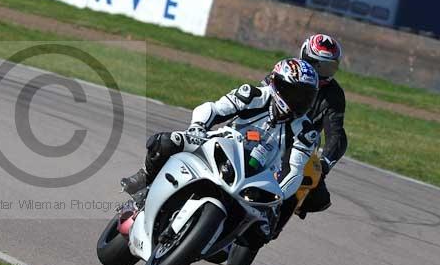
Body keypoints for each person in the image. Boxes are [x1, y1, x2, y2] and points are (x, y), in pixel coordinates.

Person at [120, 58, 320, 247]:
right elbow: (213, 109)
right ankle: (145, 179)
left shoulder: (305, 131)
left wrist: (278, 196)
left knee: (262, 234)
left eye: (306, 97)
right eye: (295, 93)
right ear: (278, 85)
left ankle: (221, 239)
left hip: (257, 177)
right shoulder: (253, 95)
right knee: (165, 142)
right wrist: (198, 126)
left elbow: (295, 170)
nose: (299, 101)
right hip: (220, 147)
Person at [271, 34, 347, 237]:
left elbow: (337, 133)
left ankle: (278, 217)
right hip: (269, 130)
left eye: (330, 68)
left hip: (301, 143)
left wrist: (324, 165)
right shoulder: (287, 70)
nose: (325, 73)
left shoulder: (334, 94)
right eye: (320, 66)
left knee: (319, 197)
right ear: (306, 57)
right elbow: (262, 95)